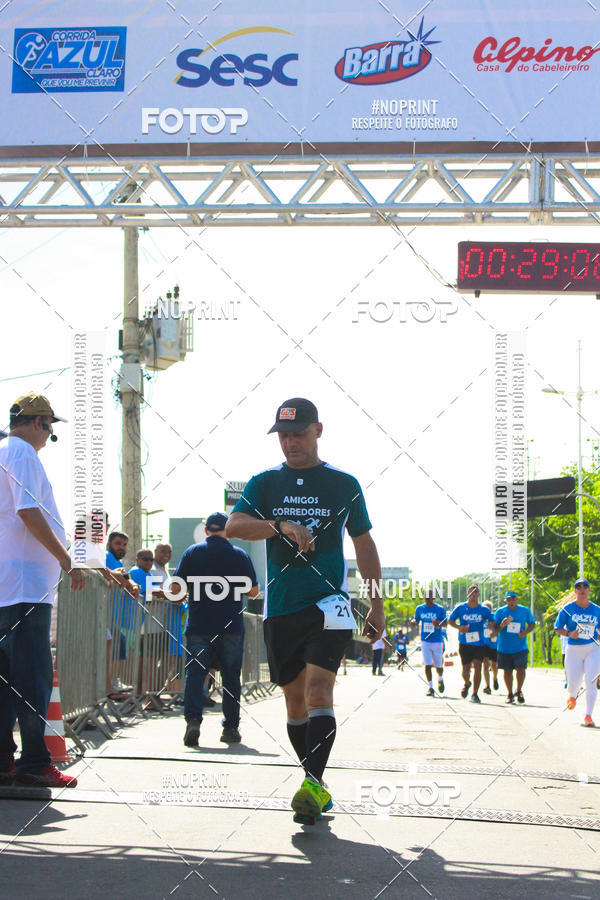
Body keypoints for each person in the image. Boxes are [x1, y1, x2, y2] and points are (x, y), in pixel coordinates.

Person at [226, 397, 385, 824]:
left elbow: (364, 543)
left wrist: (376, 604)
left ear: (319, 430)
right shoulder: (264, 483)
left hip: (329, 604)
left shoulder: (343, 483)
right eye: (283, 435)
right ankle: (315, 782)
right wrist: (280, 526)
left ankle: (312, 785)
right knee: (295, 703)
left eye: (298, 433)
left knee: (319, 693)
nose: (290, 442)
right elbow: (234, 527)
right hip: (281, 607)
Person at [0, 393, 84, 788]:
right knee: (31, 677)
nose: (49, 437)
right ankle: (34, 762)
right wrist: (66, 559)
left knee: (5, 680)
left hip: (8, 588)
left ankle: (4, 761)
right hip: (24, 588)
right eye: (50, 429)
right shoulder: (22, 454)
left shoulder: (5, 451)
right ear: (39, 424)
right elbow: (28, 511)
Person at [171, 512, 259, 746]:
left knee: (196, 675)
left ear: (207, 531)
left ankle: (193, 722)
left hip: (199, 624)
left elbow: (177, 590)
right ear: (227, 531)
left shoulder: (192, 552)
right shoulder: (239, 555)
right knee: (231, 677)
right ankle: (230, 728)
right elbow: (253, 591)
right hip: (231, 625)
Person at [554, 578, 600, 726]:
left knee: (591, 682)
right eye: (578, 587)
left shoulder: (597, 610)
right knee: (573, 683)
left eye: (585, 587)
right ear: (575, 591)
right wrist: (569, 634)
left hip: (592, 649)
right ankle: (572, 696)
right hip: (573, 649)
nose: (582, 590)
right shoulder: (568, 609)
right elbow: (558, 628)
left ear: (588, 591)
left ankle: (588, 715)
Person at [448, 585, 493, 703]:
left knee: (478, 665)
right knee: (466, 669)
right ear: (467, 594)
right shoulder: (460, 608)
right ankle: (467, 683)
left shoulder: (484, 610)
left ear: (478, 595)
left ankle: (475, 693)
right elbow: (450, 620)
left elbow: (492, 621)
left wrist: (491, 625)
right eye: (470, 593)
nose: (473, 595)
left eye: (475, 593)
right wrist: (459, 627)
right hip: (465, 642)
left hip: (479, 643)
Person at [492, 590, 535, 704]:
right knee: (507, 671)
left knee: (521, 669)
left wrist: (525, 632)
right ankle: (509, 693)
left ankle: (519, 690)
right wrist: (502, 625)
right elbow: (495, 630)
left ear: (517, 599)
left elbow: (532, 623)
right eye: (509, 599)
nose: (511, 601)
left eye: (513, 598)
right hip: (504, 647)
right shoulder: (500, 612)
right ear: (506, 600)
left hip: (520, 646)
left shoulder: (524, 610)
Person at [412, 591, 447, 696]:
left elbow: (446, 622)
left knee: (438, 665)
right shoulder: (420, 608)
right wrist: (414, 622)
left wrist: (438, 624)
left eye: (430, 596)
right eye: (426, 596)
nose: (427, 598)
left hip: (437, 640)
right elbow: (416, 619)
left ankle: (440, 679)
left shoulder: (440, 609)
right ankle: (430, 687)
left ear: (433, 598)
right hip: (425, 640)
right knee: (427, 664)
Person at [482, 600, 499, 695]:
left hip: (493, 643)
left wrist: (492, 627)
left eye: (488, 608)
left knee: (494, 665)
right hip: (484, 644)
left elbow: (497, 630)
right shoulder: (481, 618)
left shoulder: (494, 618)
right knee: (485, 665)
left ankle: (495, 678)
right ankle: (487, 685)